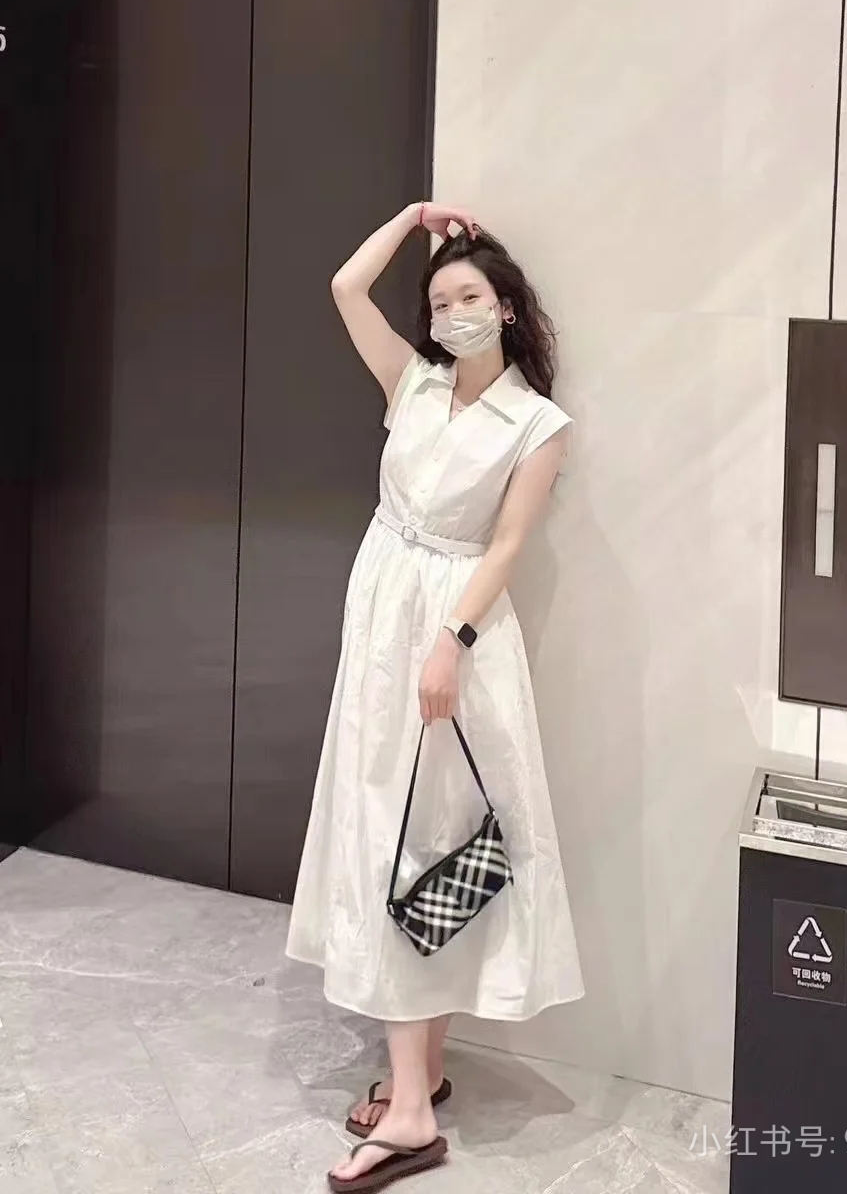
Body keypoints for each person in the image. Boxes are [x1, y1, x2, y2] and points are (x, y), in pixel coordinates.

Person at [286, 202, 584, 1191]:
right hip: (381, 618)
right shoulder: (412, 384)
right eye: (440, 300)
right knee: (400, 830)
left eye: (469, 297)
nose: (452, 312)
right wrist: (415, 219)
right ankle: (424, 1075)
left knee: (425, 839)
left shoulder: (536, 424)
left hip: (454, 636)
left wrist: (450, 642)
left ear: (507, 308)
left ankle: (411, 1111)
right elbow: (344, 286)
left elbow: (508, 545)